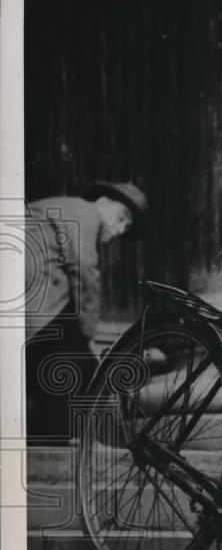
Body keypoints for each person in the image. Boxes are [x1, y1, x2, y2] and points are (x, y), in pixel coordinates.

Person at [25, 180, 148, 445]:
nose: (120, 230)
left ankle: (61, 434)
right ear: (103, 202)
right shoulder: (86, 213)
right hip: (32, 292)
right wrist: (90, 333)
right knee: (72, 355)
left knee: (64, 359)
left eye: (126, 227)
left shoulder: (65, 209)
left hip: (31, 292)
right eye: (121, 218)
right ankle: (58, 438)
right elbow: (85, 272)